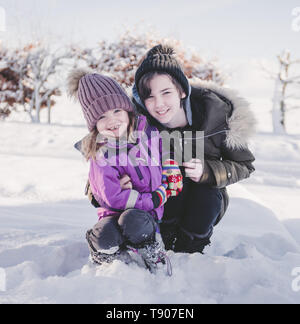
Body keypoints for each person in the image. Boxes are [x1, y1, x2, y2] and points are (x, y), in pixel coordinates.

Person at [130, 44, 256, 254]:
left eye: (166, 92)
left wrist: (208, 171)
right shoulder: (136, 124)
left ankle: (191, 246)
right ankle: (163, 239)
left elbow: (244, 165)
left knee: (204, 192)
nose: (158, 103)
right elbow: (102, 168)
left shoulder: (215, 116)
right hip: (158, 205)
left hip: (203, 202)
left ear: (181, 90)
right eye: (149, 96)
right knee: (170, 174)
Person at [67, 69, 182, 275]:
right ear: (93, 124)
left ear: (128, 111)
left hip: (143, 217)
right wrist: (155, 198)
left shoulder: (147, 132)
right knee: (106, 236)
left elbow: (163, 149)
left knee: (133, 220)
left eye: (117, 111)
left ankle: (151, 249)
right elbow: (113, 197)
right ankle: (106, 253)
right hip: (115, 213)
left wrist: (170, 165)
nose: (111, 121)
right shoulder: (101, 153)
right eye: (101, 116)